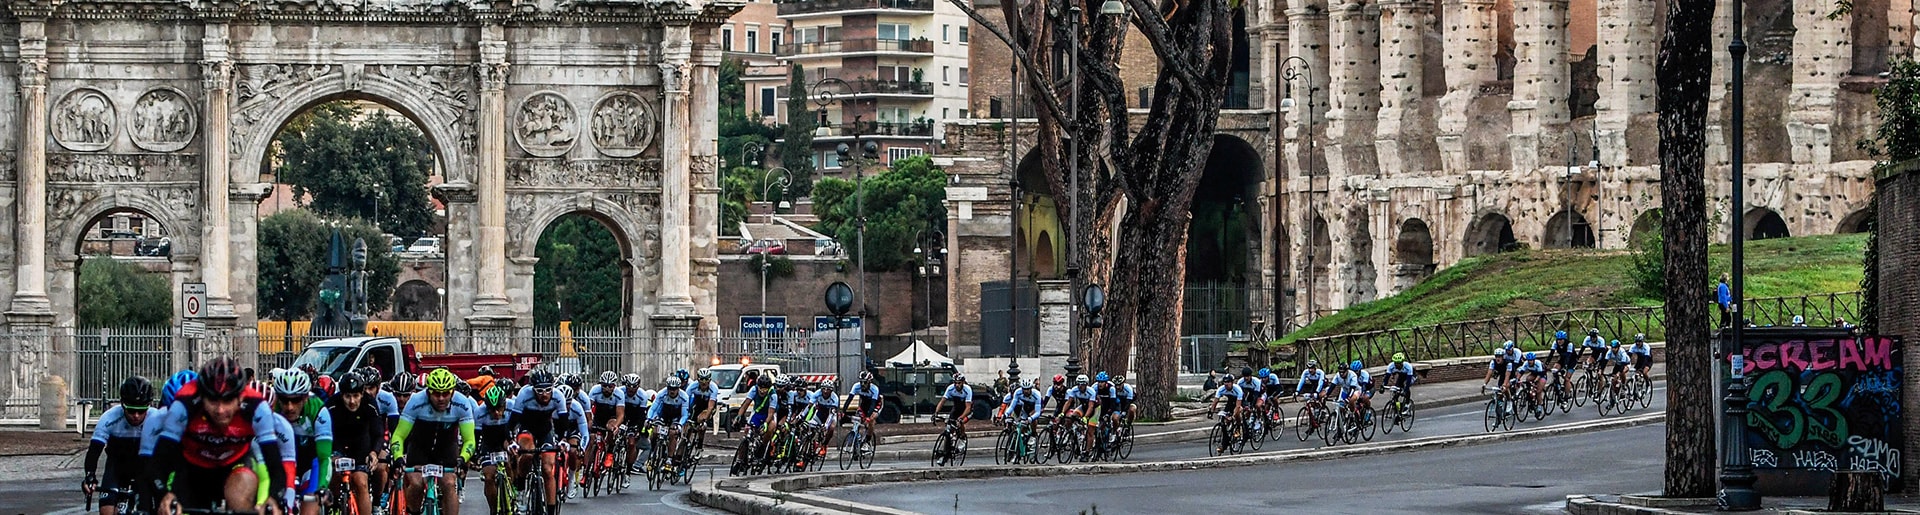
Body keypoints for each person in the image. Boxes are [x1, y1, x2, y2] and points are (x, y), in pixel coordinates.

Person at [148, 357, 291, 515]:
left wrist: (273, 499)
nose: (220, 410)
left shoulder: (256, 407)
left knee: (239, 498)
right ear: (202, 396)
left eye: (228, 400)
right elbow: (159, 461)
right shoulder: (184, 404)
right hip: (192, 468)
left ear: (241, 397)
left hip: (236, 464)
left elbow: (276, 466)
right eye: (213, 400)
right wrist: (163, 495)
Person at [390, 368, 474, 515]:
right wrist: (397, 457)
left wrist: (462, 459)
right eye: (436, 393)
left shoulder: (462, 403)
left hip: (446, 447)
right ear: (428, 391)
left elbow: (469, 440)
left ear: (453, 392)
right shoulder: (416, 401)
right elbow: (398, 435)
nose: (441, 398)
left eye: (445, 393)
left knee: (449, 484)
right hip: (419, 447)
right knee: (415, 484)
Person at [505, 370, 584, 512]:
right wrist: (511, 441)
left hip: (546, 431)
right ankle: (521, 490)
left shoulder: (558, 396)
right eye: (540, 391)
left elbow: (563, 423)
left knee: (548, 470)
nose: (544, 394)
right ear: (533, 389)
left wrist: (563, 440)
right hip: (527, 429)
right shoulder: (524, 394)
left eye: (548, 390)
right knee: (527, 454)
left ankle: (551, 509)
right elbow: (512, 422)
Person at [85, 377, 153, 515]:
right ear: (122, 404)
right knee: (106, 511)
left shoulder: (156, 419)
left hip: (144, 468)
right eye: (131, 410)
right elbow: (94, 451)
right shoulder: (109, 418)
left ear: (149, 405)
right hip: (116, 467)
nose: (136, 416)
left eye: (141, 410)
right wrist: (90, 477)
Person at [327, 372, 384, 515]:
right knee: (334, 475)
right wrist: (330, 455)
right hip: (338, 444)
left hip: (360, 445)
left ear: (362, 394)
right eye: (347, 396)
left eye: (356, 396)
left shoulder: (370, 404)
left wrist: (374, 452)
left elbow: (378, 433)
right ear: (342, 395)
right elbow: (324, 433)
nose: (352, 401)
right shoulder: (331, 405)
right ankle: (334, 506)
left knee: (361, 482)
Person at [472, 386, 513, 513]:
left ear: (504, 404)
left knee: (511, 463)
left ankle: (514, 489)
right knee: (489, 476)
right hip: (488, 442)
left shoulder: (512, 407)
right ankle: (493, 509)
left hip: (506, 437)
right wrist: (476, 455)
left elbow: (517, 429)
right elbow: (476, 437)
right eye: (491, 409)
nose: (496, 413)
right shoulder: (479, 412)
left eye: (499, 409)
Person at [646, 378, 692, 474]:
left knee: (672, 434)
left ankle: (669, 460)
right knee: (655, 431)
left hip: (676, 417)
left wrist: (680, 425)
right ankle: (653, 452)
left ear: (678, 389)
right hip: (663, 414)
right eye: (670, 388)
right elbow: (653, 408)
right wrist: (649, 419)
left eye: (674, 389)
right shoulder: (662, 393)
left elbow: (684, 415)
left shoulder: (684, 397)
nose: (672, 391)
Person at [930, 375, 974, 462]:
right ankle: (946, 454)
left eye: (959, 383)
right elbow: (942, 401)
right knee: (948, 428)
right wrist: (936, 413)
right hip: (957, 408)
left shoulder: (967, 389)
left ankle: (962, 439)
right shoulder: (950, 388)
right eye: (955, 383)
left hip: (967, 409)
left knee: (960, 422)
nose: (957, 385)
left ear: (963, 383)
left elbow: (968, 408)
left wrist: (960, 418)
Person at [617, 373, 652, 477]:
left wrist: (638, 430)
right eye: (629, 387)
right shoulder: (620, 391)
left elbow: (641, 416)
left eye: (634, 387)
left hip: (634, 418)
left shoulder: (642, 396)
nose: (631, 390)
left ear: (638, 386)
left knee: (632, 444)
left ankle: (628, 471)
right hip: (621, 414)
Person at [842, 371, 883, 445]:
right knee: (857, 419)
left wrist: (868, 417)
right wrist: (843, 411)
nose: (863, 384)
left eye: (865, 382)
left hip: (876, 405)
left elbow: (873, 404)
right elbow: (849, 400)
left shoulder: (874, 389)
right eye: (861, 382)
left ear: (870, 382)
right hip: (864, 405)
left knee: (871, 419)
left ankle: (867, 441)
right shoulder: (856, 386)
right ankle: (856, 439)